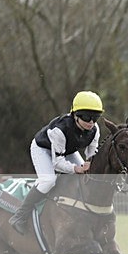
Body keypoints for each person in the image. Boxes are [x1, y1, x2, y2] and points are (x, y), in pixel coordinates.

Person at [9, 91, 104, 234]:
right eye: (86, 116)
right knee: (48, 181)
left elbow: (91, 154)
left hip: (67, 150)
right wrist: (76, 168)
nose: (91, 122)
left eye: (95, 117)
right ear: (75, 115)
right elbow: (57, 163)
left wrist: (90, 164)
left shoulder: (95, 130)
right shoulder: (60, 130)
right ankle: (19, 216)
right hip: (43, 149)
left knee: (86, 176)